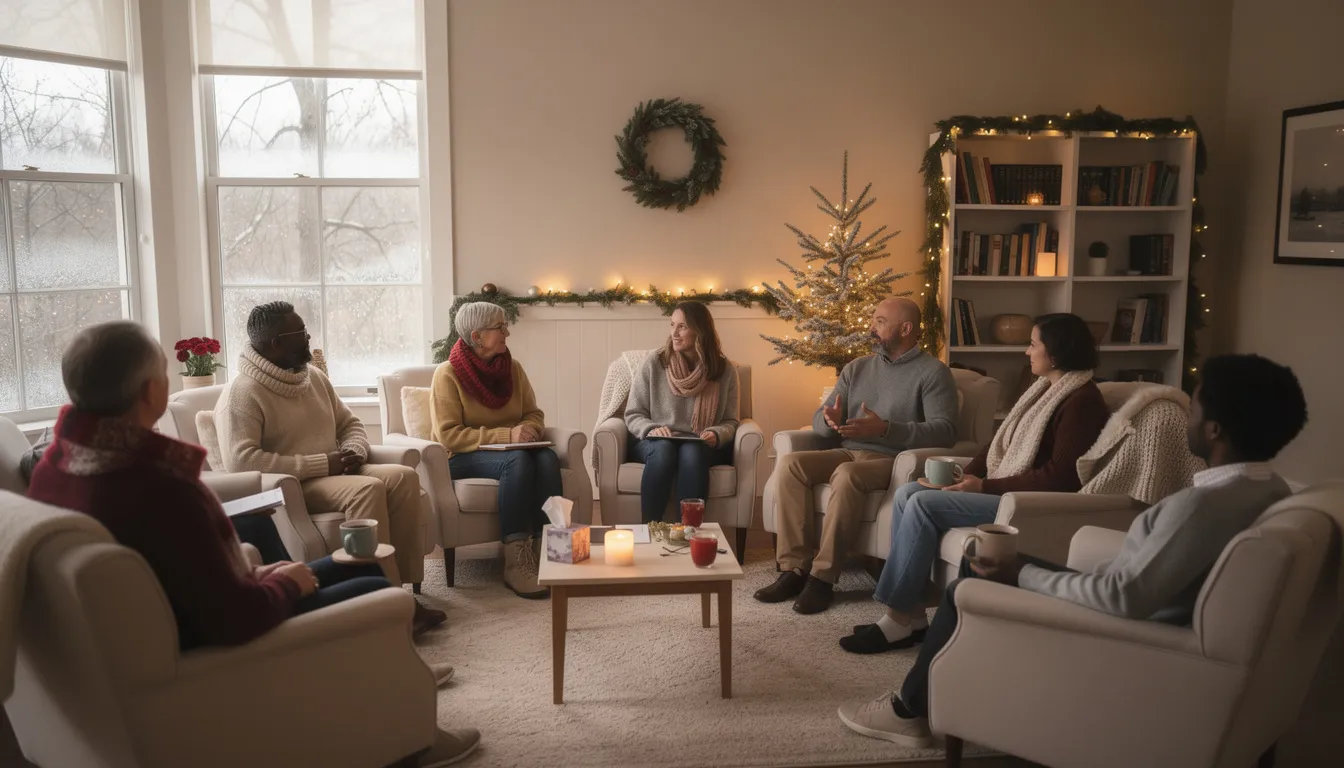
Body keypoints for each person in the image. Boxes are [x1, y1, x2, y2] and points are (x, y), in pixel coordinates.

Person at [25, 321, 479, 766]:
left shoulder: (55, 467)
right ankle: (416, 737)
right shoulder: (160, 488)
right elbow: (233, 616)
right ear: (150, 391)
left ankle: (400, 670)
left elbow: (183, 571)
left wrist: (256, 572)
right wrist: (284, 586)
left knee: (361, 566)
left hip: (172, 616)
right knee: (373, 591)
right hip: (211, 638)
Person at [836, 353, 1308, 748]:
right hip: (1148, 614)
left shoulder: (1199, 507)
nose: (1188, 417)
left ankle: (907, 708)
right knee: (984, 559)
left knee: (977, 575)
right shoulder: (1274, 491)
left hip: (1122, 632)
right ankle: (935, 664)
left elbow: (1123, 598)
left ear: (1215, 430)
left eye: (1196, 408)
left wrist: (1020, 573)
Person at [841, 312, 1109, 653]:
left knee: (923, 504)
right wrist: (961, 475)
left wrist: (984, 487)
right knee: (910, 491)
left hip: (1027, 503)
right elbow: (999, 449)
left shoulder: (1081, 401)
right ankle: (916, 617)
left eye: (1033, 344)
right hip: (1005, 489)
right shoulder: (1044, 390)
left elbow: (1062, 477)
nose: (1027, 352)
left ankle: (895, 618)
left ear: (1055, 353)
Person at [213, 302, 434, 611]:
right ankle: (384, 599)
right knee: (367, 489)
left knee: (403, 477)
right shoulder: (242, 393)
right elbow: (242, 462)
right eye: (301, 333)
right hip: (295, 484)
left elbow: (350, 424)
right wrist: (321, 463)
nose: (308, 339)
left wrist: (354, 449)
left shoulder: (313, 377)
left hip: (336, 471)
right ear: (275, 343)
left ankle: (406, 588)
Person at [755, 297, 959, 615]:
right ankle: (794, 569)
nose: (871, 327)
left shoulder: (933, 373)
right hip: (847, 451)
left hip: (893, 461)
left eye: (879, 321)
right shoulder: (858, 368)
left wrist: (886, 429)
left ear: (905, 329)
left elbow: (945, 432)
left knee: (846, 475)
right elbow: (822, 421)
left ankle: (822, 579)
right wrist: (829, 420)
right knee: (792, 464)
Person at [430, 301, 560, 599]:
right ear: (477, 336)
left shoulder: (513, 368)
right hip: (461, 457)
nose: (507, 332)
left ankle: (550, 553)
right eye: (500, 327)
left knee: (547, 458)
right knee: (515, 461)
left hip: (513, 450)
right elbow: (448, 435)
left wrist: (530, 430)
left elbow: (534, 413)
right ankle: (515, 563)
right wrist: (507, 435)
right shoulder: (447, 374)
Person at [624, 302, 740, 524]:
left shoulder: (724, 371)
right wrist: (652, 428)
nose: (674, 333)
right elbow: (633, 414)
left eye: (682, 327)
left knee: (692, 452)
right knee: (663, 450)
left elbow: (730, 420)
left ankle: (687, 532)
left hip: (699, 442)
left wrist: (716, 433)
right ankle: (650, 529)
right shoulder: (655, 363)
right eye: (672, 325)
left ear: (700, 331)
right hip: (656, 440)